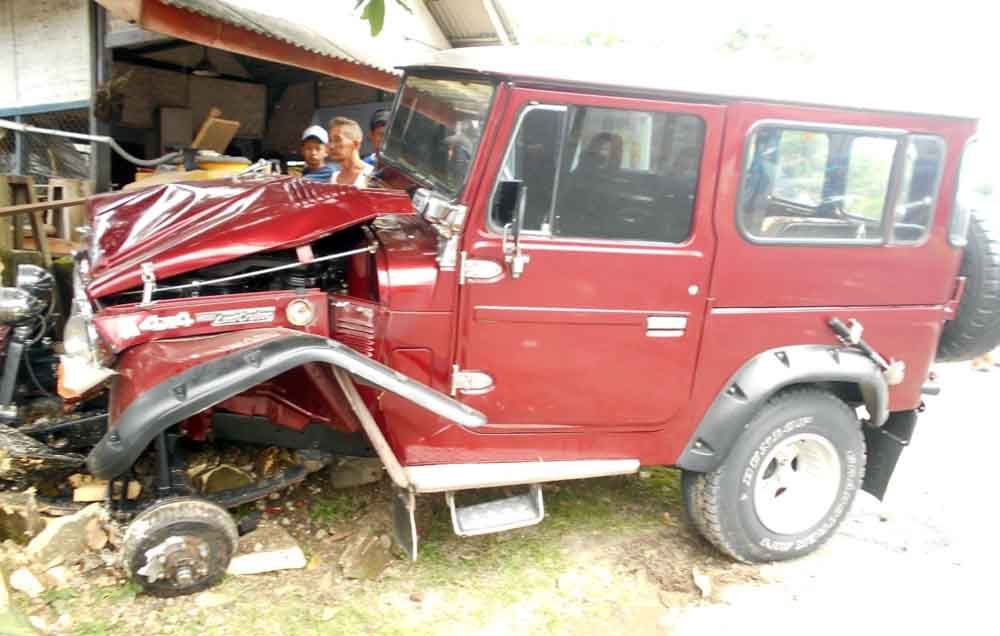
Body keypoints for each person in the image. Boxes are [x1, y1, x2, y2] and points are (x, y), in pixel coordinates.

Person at [327, 116, 374, 188]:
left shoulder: (372, 174)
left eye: (337, 140)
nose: (331, 146)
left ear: (355, 144)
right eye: (330, 141)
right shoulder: (333, 177)